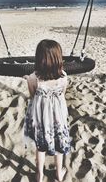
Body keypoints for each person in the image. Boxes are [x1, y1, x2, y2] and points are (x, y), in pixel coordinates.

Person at [24, 40, 70, 182]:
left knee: (40, 146)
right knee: (59, 146)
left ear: (38, 59)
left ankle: (39, 174)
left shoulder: (32, 78)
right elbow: (62, 93)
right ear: (58, 59)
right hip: (58, 117)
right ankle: (59, 174)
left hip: (40, 118)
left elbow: (32, 96)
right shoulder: (64, 77)